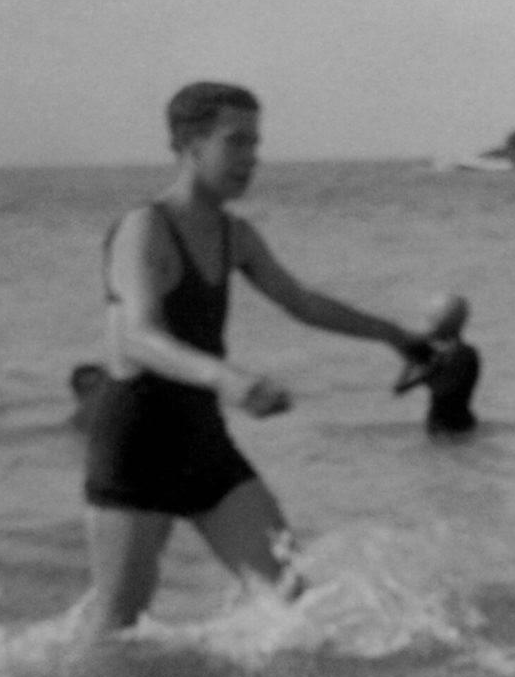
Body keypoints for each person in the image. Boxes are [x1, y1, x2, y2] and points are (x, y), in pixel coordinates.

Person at [77, 80, 434, 640]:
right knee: (117, 628)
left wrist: (392, 335)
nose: (252, 159)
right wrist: (228, 379)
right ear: (191, 145)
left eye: (256, 143)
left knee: (291, 598)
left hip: (202, 438)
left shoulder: (234, 235)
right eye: (236, 142)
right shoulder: (144, 228)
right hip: (136, 441)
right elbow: (138, 337)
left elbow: (302, 302)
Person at [393, 292, 481, 434]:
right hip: (463, 424)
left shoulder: (448, 356)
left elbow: (401, 388)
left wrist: (415, 362)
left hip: (442, 427)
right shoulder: (469, 353)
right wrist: (417, 357)